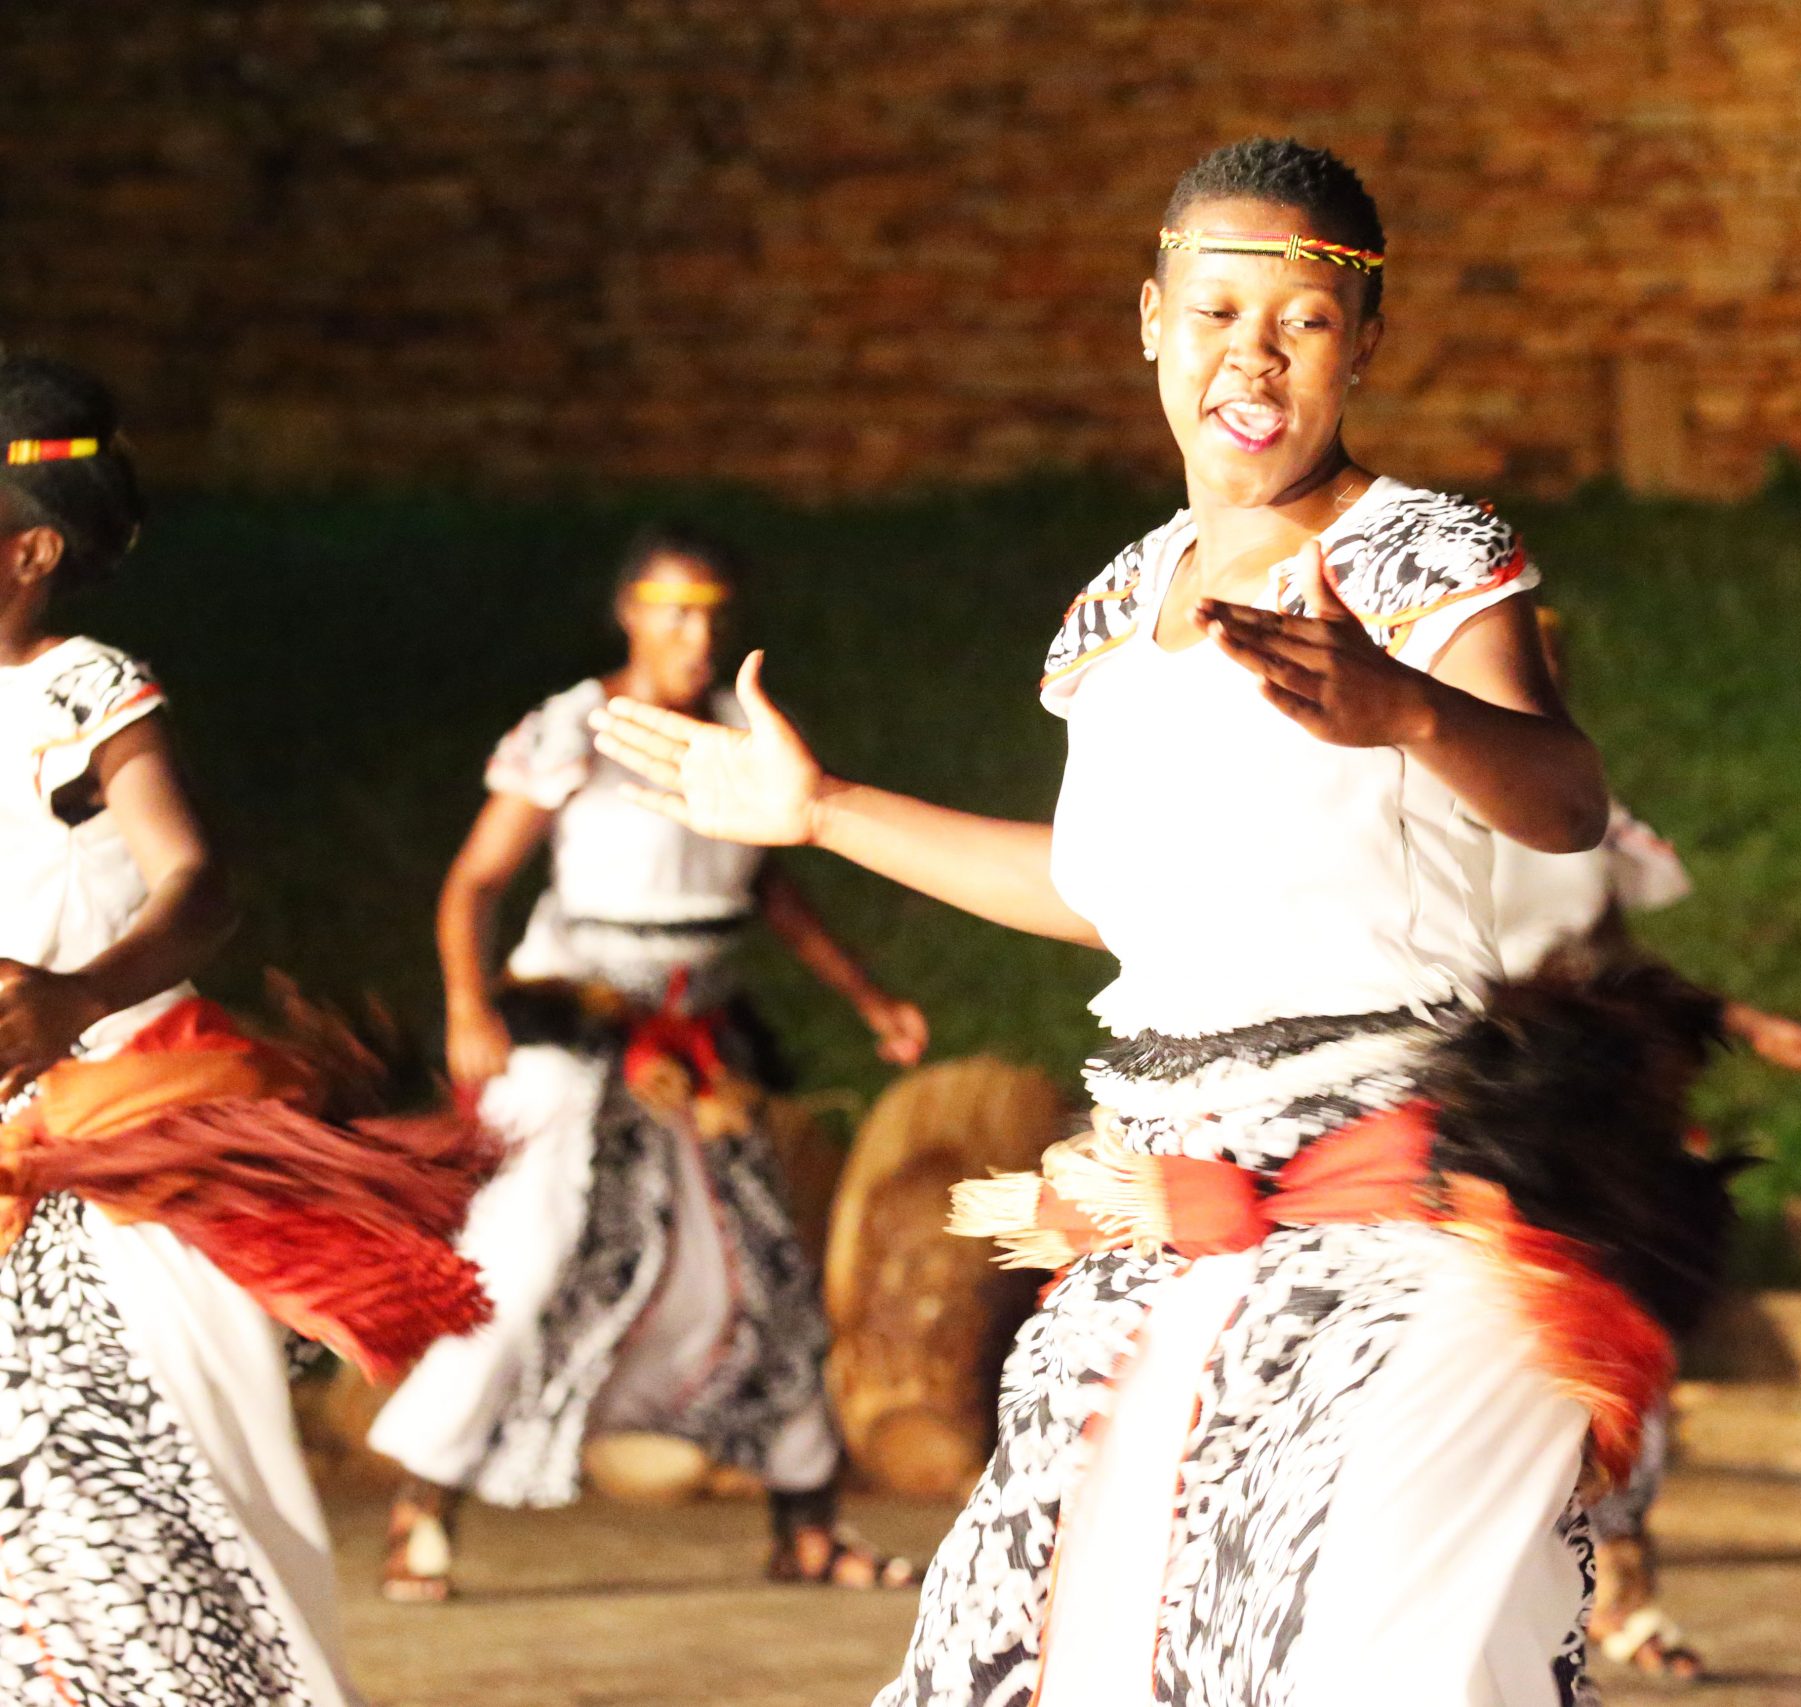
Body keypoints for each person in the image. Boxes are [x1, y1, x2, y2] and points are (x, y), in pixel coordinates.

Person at [597, 137, 1738, 1705]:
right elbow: (1094, 889)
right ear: (1150, 320)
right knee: (1044, 1656)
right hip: (1149, 1217)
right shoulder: (1108, 613)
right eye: (1214, 312)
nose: (1251, 356)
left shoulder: (1424, 558)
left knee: (1336, 1657)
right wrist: (823, 812)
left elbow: (1559, 801)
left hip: (1372, 1224)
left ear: (1364, 346)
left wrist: (1405, 705)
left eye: (1301, 321)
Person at [0, 355, 495, 1705]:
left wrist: (74, 996)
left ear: (31, 548)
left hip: (120, 1166)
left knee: (156, 1502)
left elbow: (197, 882)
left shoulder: (79, 688)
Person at [366, 526, 928, 1600]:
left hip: (702, 1039)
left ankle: (806, 1524)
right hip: (575, 1026)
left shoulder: (734, 729)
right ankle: (420, 1507)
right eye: (673, 610)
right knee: (529, 1256)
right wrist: (466, 1004)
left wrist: (868, 997)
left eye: (712, 610)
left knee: (766, 1263)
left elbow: (766, 885)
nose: (696, 633)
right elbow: (475, 881)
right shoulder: (572, 729)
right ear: (629, 611)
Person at [1491, 612, 1801, 1684]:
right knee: (1510, 1354)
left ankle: (1626, 1588)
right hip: (1478, 1113)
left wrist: (1745, 1024)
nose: (1524, 684)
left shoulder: (1578, 811)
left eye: (1541, 667)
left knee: (1625, 1347)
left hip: (1596, 1115)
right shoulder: (1403, 797)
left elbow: (1613, 962)